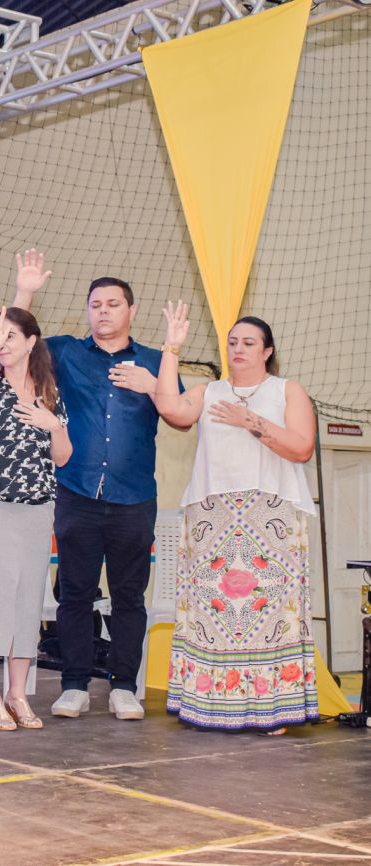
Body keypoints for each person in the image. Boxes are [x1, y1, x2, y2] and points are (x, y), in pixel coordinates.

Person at [12, 249, 182, 722]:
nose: (103, 312)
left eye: (112, 304)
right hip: (77, 492)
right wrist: (25, 292)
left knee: (129, 597)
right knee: (75, 594)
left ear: (131, 310)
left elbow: (181, 417)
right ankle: (74, 685)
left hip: (134, 497)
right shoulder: (66, 352)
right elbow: (13, 344)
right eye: (95, 305)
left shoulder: (154, 361)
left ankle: (124, 686)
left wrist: (153, 385)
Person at [153, 305, 318, 734]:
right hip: (212, 515)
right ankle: (208, 704)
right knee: (214, 613)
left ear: (267, 351)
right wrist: (171, 347)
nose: (238, 349)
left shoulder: (287, 390)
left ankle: (272, 710)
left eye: (248, 343)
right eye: (232, 342)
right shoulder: (209, 391)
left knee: (269, 616)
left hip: (272, 514)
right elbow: (171, 409)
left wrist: (251, 421)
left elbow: (302, 448)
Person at [0, 304, 71, 731]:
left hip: (38, 508)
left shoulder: (48, 392)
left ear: (30, 342)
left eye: (11, 336)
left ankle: (17, 693)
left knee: (28, 600)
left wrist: (53, 424)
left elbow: (63, 457)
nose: (3, 342)